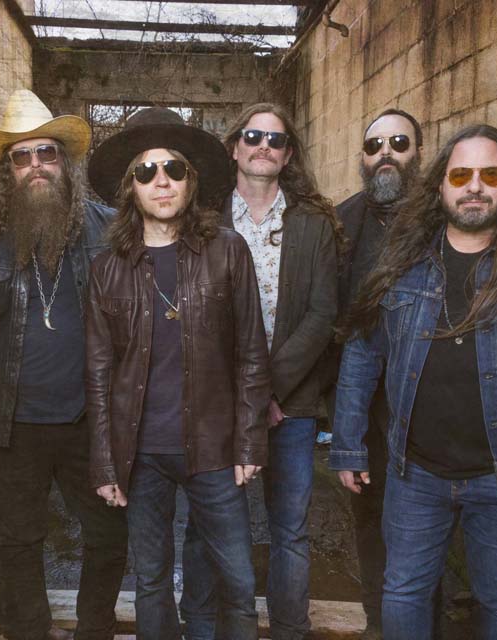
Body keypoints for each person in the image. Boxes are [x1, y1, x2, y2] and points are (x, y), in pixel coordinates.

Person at [329, 124, 497, 640]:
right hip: (415, 473)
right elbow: (362, 353)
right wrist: (348, 444)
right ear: (441, 184)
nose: (474, 186)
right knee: (403, 591)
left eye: (490, 175)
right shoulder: (402, 260)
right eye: (460, 175)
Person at [0, 89, 127, 640]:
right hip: (11, 424)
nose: (36, 165)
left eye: (46, 153)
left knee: (108, 535)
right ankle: (27, 631)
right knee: (18, 541)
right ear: (8, 172)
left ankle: (94, 629)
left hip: (90, 420)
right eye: (21, 157)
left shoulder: (108, 230)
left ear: (65, 163)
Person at [85, 106, 270, 640]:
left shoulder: (228, 251)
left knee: (237, 579)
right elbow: (98, 373)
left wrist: (250, 442)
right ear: (131, 187)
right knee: (151, 582)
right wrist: (105, 461)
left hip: (215, 449)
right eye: (146, 171)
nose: (161, 181)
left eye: (173, 169)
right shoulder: (107, 268)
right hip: (141, 454)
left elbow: (252, 354)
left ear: (191, 181)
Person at [178, 102, 342, 640]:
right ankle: (203, 627)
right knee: (207, 525)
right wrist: (241, 396)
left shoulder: (314, 224)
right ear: (234, 147)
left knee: (289, 530)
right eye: (253, 136)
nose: (263, 146)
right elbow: (193, 316)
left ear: (288, 154)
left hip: (290, 405)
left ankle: (290, 630)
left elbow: (322, 315)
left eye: (275, 139)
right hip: (218, 404)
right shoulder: (204, 220)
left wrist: (265, 391)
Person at [335, 108, 423, 638]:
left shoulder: (443, 219)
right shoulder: (343, 223)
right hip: (365, 409)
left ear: (418, 153)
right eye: (374, 145)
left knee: (421, 533)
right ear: (363, 159)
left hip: (429, 410)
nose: (385, 152)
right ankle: (377, 623)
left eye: (398, 142)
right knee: (369, 523)